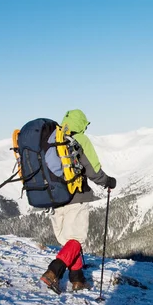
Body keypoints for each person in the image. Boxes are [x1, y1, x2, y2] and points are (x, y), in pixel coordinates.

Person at [40, 109, 116, 294]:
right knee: (76, 240)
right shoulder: (79, 139)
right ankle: (52, 273)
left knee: (69, 242)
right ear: (81, 123)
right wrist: (108, 181)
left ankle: (77, 280)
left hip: (54, 199)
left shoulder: (52, 138)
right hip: (76, 196)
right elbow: (93, 170)